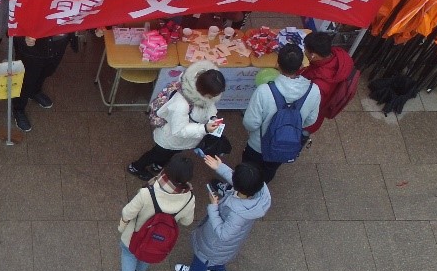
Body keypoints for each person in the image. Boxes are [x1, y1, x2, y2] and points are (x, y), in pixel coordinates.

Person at [174, 156, 269, 271]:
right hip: (227, 247)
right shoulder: (260, 190)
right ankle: (218, 269)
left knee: (202, 258)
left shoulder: (237, 213)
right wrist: (220, 167)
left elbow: (223, 235)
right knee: (218, 259)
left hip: (214, 244)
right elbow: (242, 180)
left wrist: (213, 207)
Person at [127, 61, 226, 177]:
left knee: (169, 153)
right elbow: (179, 130)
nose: (213, 98)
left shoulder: (198, 87)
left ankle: (158, 165)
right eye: (211, 96)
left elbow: (209, 105)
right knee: (156, 154)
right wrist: (204, 128)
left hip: (182, 140)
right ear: (203, 91)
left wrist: (212, 116)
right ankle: (136, 167)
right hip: (170, 138)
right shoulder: (181, 105)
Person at [118, 152, 196, 271]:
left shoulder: (147, 192)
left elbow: (127, 212)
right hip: (157, 238)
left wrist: (122, 227)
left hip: (134, 234)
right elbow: (187, 221)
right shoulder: (189, 198)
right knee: (148, 252)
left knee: (129, 254)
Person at [242, 42, 320, 183]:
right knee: (269, 171)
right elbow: (311, 120)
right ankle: (261, 188)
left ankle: (244, 190)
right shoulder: (313, 90)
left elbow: (250, 123)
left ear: (278, 64)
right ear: (301, 67)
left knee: (247, 173)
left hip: (258, 145)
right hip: (285, 145)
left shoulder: (264, 91)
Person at [301, 30, 359, 133]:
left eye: (305, 50)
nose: (304, 52)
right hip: (323, 106)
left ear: (313, 55)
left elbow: (307, 107)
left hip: (308, 120)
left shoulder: (319, 84)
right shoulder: (341, 57)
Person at [11, 33, 70, 132]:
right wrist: (22, 37)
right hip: (31, 45)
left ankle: (35, 91)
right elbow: (11, 24)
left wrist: (95, 28)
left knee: (47, 71)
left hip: (58, 42)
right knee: (26, 79)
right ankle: (18, 108)